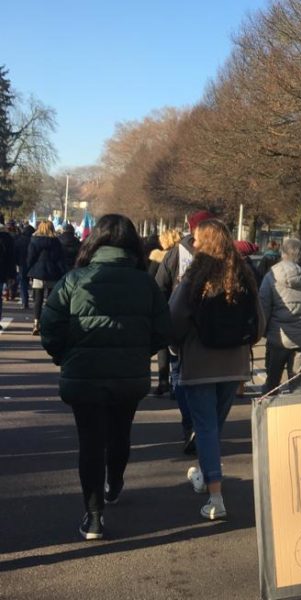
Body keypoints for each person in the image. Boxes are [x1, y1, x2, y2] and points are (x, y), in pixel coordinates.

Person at [39, 214, 171, 540]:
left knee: (90, 442)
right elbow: (162, 330)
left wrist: (64, 356)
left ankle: (94, 515)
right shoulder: (146, 283)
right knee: (120, 432)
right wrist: (140, 353)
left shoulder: (75, 279)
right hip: (129, 373)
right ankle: (115, 481)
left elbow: (50, 327)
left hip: (84, 372)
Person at [169, 218, 264, 520]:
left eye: (196, 239)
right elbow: (259, 323)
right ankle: (205, 472)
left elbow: (174, 317)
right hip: (234, 364)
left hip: (200, 363)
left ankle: (215, 496)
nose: (193, 244)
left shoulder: (194, 277)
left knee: (205, 428)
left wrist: (175, 346)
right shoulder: (243, 277)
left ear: (206, 242)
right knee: (213, 428)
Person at [156, 211, 213, 452]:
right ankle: (206, 430)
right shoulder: (224, 255)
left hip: (180, 325)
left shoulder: (175, 253)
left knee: (180, 374)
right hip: (211, 328)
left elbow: (160, 286)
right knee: (209, 381)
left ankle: (189, 425)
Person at [258, 237, 301, 394]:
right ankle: (296, 416)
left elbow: (263, 309)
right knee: (297, 387)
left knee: (271, 383)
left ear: (283, 253)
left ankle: (268, 413)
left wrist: (265, 332)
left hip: (278, 338)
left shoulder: (272, 276)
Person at [148, 229, 182, 395]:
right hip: (180, 305)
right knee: (177, 345)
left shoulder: (157, 258)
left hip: (162, 305)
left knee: (163, 346)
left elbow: (152, 282)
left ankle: (163, 381)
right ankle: (177, 382)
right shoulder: (183, 257)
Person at [26, 220, 67, 334]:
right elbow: (60, 260)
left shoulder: (34, 241)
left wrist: (28, 271)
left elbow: (30, 258)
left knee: (38, 300)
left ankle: (36, 323)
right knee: (50, 301)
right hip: (53, 273)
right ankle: (48, 323)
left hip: (38, 273)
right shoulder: (56, 242)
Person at [14, 223, 34, 310]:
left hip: (21, 264)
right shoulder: (33, 241)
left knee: (23, 283)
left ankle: (24, 302)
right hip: (33, 264)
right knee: (34, 283)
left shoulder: (19, 240)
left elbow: (15, 253)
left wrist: (16, 263)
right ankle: (35, 297)